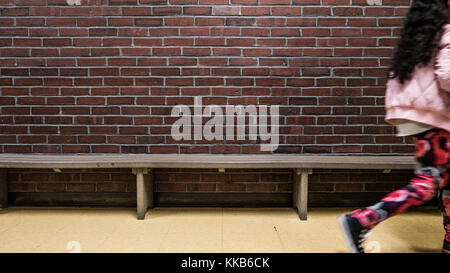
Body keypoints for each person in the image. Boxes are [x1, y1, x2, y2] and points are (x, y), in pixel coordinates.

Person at [338, 0, 450, 253]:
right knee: (427, 183)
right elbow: (447, 77)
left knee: (445, 183)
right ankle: (360, 220)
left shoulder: (417, 37)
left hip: (417, 117)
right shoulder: (447, 32)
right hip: (434, 119)